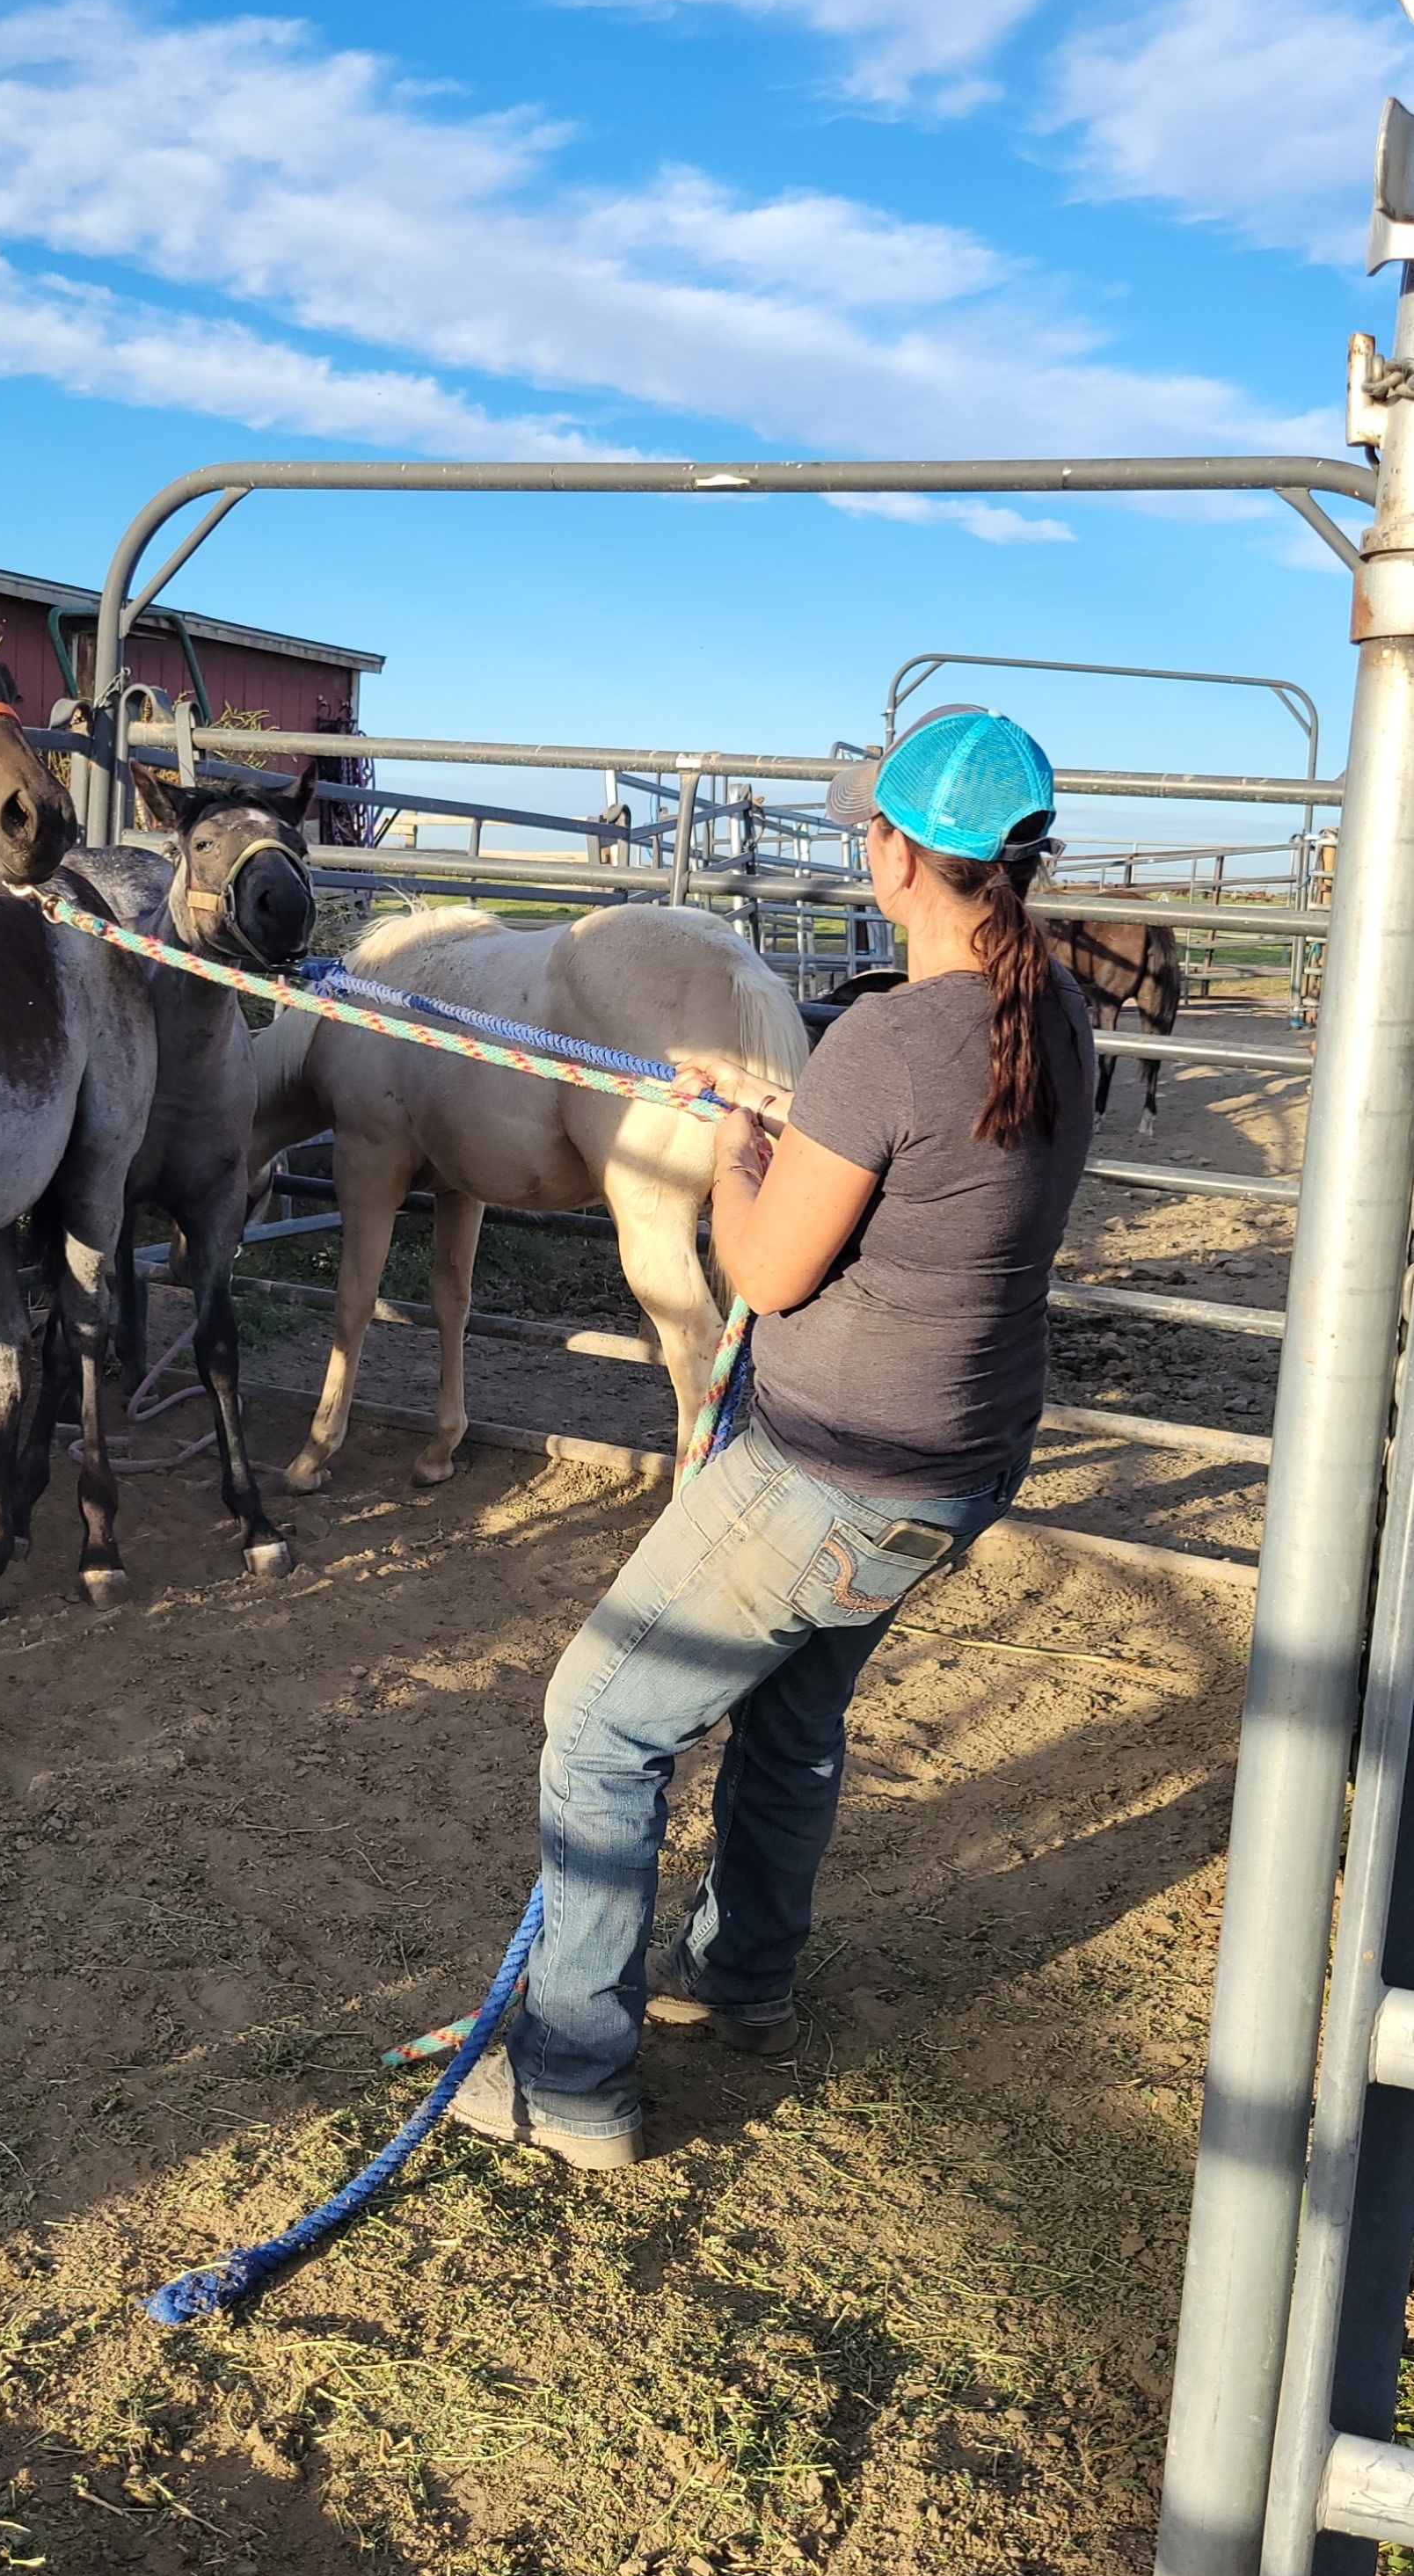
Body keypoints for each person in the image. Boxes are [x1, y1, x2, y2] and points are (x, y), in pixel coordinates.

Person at [449, 709, 1097, 2172]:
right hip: (958, 1462)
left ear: (898, 854)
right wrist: (796, 1125)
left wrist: (747, 1149)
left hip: (831, 1471)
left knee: (599, 1725)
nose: (862, 842)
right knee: (793, 1722)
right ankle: (738, 1977)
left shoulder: (889, 1038)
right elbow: (920, 1177)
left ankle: (571, 2077)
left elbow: (764, 1268)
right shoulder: (1047, 1009)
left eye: (871, 824)